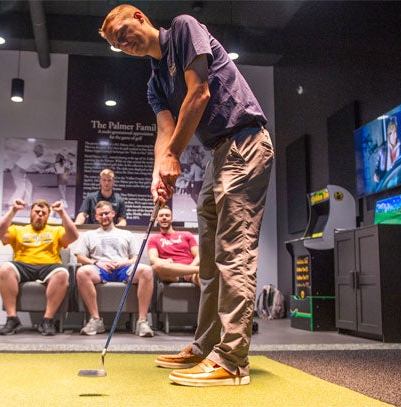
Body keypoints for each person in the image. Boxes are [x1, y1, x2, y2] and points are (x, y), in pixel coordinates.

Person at [99, 4, 274, 387]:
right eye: (115, 43)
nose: (122, 43)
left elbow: (199, 93)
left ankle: (232, 360)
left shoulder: (182, 29)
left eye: (123, 32)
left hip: (245, 142)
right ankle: (206, 346)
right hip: (217, 156)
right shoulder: (154, 83)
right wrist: (159, 171)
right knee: (209, 260)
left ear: (141, 18)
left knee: (234, 252)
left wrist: (175, 155)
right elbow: (166, 131)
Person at [0, 198, 79, 336]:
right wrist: (13, 210)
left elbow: (74, 236)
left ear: (48, 216)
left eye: (43, 213)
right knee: (4, 269)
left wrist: (62, 213)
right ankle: (12, 319)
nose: (40, 214)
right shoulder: (18, 229)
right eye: (36, 211)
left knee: (62, 273)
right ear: (31, 213)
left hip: (49, 265)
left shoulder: (56, 230)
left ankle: (47, 320)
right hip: (23, 265)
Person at [73, 201, 155, 337]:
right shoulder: (89, 235)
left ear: (113, 214)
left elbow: (135, 258)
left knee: (146, 270)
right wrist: (97, 262)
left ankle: (142, 321)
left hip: (123, 268)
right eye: (101, 214)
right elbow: (80, 257)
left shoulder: (126, 234)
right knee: (82, 272)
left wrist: (121, 264)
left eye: (106, 213)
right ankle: (96, 320)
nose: (104, 216)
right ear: (96, 217)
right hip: (100, 270)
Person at [147, 205, 200, 287]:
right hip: (171, 275)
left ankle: (197, 271)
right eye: (161, 216)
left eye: (167, 215)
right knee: (157, 266)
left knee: (202, 277)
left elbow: (199, 255)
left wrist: (191, 268)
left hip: (191, 272)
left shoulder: (186, 235)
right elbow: (153, 259)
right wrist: (165, 261)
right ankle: (199, 270)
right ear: (157, 219)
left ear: (172, 219)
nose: (164, 218)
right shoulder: (153, 239)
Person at [7, 144, 51, 209]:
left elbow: (37, 165)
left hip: (21, 171)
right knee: (21, 188)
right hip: (18, 171)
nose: (41, 154)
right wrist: (48, 165)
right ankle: (10, 203)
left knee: (29, 185)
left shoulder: (31, 155)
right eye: (41, 152)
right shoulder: (32, 156)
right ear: (38, 151)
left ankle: (27, 202)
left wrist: (47, 164)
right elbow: (40, 165)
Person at [373, 118, 400, 183]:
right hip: (386, 180)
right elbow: (376, 167)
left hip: (397, 179)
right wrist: (376, 175)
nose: (396, 136)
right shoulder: (382, 149)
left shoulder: (400, 146)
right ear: (389, 134)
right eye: (394, 133)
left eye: (396, 132)